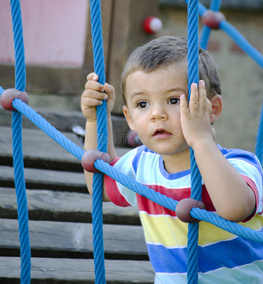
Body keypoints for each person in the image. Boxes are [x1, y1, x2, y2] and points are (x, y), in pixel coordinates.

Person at [81, 36, 263, 283]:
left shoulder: (240, 165)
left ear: (213, 108)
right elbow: (101, 186)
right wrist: (95, 121)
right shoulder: (141, 163)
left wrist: (201, 141)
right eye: (143, 104)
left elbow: (235, 208)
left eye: (174, 100)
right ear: (130, 118)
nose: (157, 114)